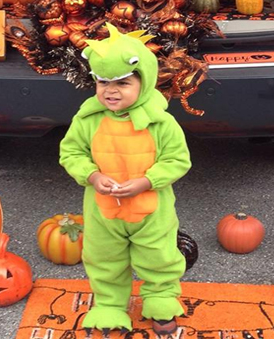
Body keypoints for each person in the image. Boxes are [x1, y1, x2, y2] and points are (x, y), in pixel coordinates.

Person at [59, 23, 191, 335]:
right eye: (103, 82)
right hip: (103, 210)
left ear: (144, 81)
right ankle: (109, 304)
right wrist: (92, 175)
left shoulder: (162, 123)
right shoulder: (87, 120)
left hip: (152, 211)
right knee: (103, 257)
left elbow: (177, 159)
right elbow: (71, 152)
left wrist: (147, 181)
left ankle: (160, 298)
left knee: (159, 256)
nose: (111, 90)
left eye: (122, 82)